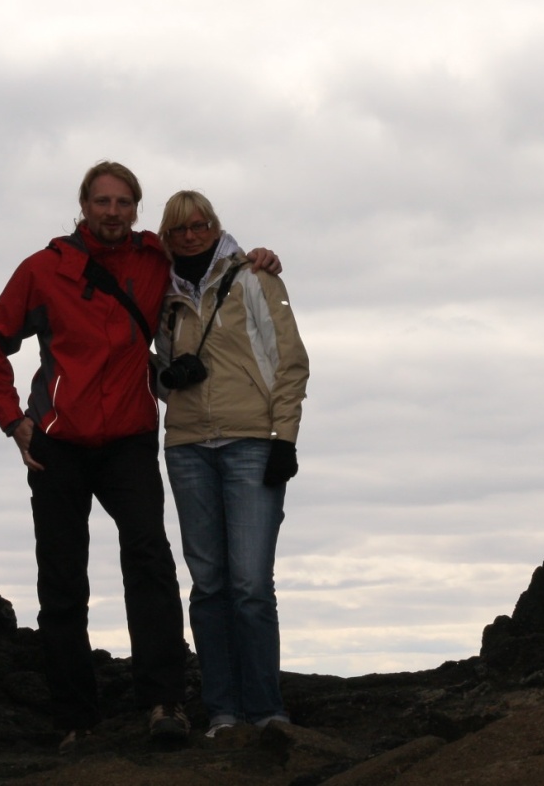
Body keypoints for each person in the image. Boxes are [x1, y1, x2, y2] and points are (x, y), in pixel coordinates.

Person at [0, 162, 277, 750]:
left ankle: (163, 702)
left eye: (123, 202)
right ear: (83, 204)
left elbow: (207, 262)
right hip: (57, 444)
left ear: (136, 208)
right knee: (62, 583)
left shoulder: (153, 259)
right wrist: (13, 420)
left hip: (130, 438)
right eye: (102, 201)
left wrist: (257, 258)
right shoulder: (43, 270)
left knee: (151, 566)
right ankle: (75, 720)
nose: (112, 211)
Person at [155, 190, 309, 737]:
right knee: (209, 585)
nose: (192, 236)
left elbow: (291, 363)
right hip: (187, 445)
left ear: (215, 226)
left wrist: (283, 440)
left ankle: (267, 711)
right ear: (167, 238)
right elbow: (153, 369)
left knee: (249, 585)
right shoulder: (162, 295)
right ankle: (223, 712)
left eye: (200, 226)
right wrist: (164, 378)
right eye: (179, 230)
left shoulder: (255, 278)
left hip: (251, 442)